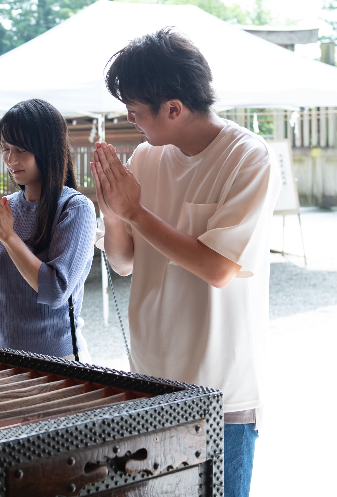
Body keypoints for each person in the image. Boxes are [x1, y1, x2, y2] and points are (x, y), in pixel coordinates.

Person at [92, 28, 280, 497]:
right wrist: (114, 211)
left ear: (172, 108)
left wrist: (135, 210)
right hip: (151, 378)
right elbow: (123, 262)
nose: (131, 120)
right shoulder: (146, 156)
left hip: (222, 389)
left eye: (136, 111)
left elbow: (218, 269)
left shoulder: (248, 157)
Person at [0, 98, 97, 361]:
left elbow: (55, 290)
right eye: (5, 148)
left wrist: (8, 236)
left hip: (60, 362)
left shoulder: (75, 208)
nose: (11, 159)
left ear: (47, 149)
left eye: (21, 149)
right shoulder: (6, 208)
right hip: (2, 356)